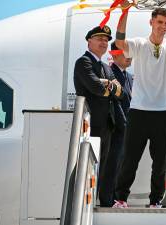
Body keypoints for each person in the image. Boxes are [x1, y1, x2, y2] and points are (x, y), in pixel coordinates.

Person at [112, 0, 166, 208]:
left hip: (164, 112)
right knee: (130, 159)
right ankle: (120, 198)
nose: (163, 26)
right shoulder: (139, 44)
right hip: (139, 111)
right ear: (151, 22)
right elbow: (120, 43)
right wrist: (125, 12)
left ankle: (155, 201)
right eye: (160, 22)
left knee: (159, 162)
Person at [73, 25, 122, 207]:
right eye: (99, 38)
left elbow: (121, 93)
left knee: (102, 167)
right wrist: (109, 86)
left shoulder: (105, 67)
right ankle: (86, 204)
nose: (103, 42)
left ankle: (95, 201)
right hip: (91, 123)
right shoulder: (84, 62)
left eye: (106, 40)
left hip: (107, 124)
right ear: (89, 41)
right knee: (89, 166)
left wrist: (106, 84)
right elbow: (97, 88)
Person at [100, 41, 133, 207]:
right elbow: (115, 103)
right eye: (124, 53)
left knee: (120, 165)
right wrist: (124, 125)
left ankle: (116, 198)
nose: (129, 56)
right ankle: (107, 199)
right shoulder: (110, 73)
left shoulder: (128, 76)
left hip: (126, 128)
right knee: (112, 165)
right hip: (116, 128)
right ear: (113, 54)